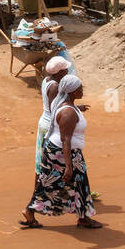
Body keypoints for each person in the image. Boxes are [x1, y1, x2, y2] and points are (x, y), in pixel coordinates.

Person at [21, 75, 102, 229]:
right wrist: (69, 166)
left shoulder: (64, 105)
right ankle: (84, 218)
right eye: (80, 88)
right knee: (80, 183)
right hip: (64, 154)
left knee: (47, 183)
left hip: (56, 151)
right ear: (72, 92)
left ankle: (30, 211)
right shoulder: (68, 113)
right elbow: (66, 140)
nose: (82, 90)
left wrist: (78, 108)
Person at [34, 56, 72, 175]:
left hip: (44, 122)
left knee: (42, 160)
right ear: (60, 72)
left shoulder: (46, 80)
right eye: (66, 69)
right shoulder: (55, 86)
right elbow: (54, 109)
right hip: (51, 127)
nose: (68, 71)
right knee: (54, 162)